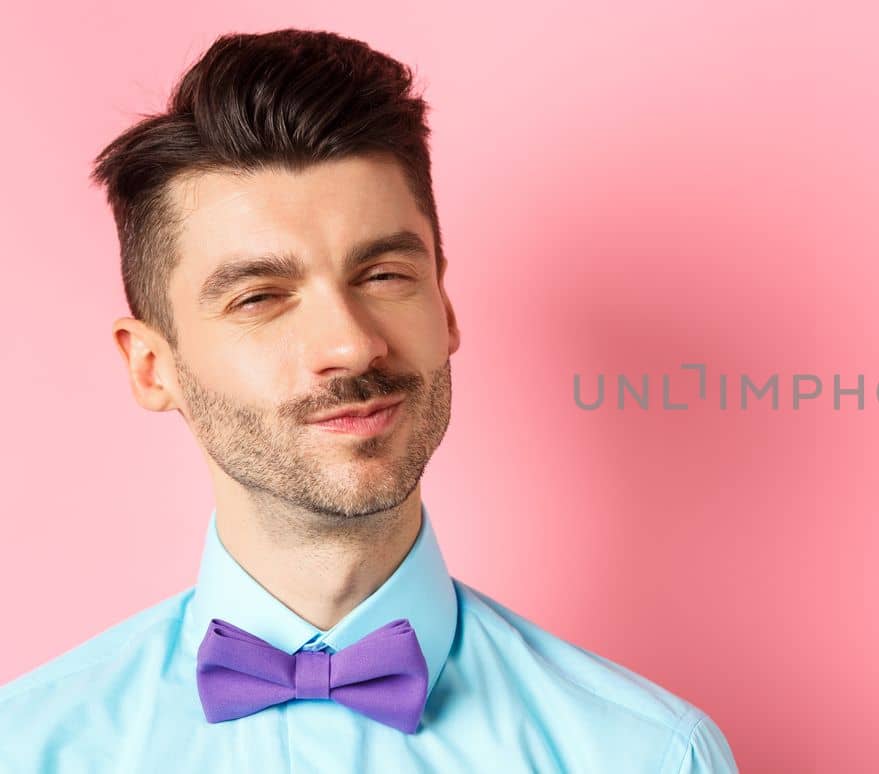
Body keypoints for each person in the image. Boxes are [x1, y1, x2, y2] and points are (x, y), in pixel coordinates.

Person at [0, 28, 737, 773]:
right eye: (260, 297)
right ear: (154, 366)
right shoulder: (24, 749)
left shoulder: (650, 754)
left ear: (445, 310)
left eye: (384, 275)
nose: (351, 345)